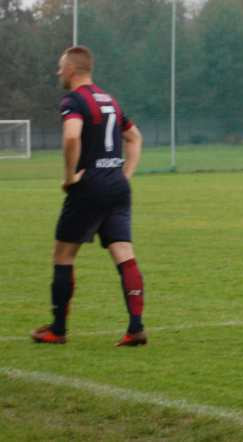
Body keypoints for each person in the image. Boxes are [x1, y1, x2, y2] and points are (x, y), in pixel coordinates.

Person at [31, 46, 146, 347]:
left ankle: (57, 329)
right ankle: (136, 328)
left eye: (60, 67)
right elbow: (134, 138)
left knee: (63, 256)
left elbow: (71, 136)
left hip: (90, 186)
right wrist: (126, 174)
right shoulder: (110, 100)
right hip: (117, 187)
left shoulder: (73, 100)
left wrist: (70, 177)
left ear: (71, 69)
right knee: (124, 254)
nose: (58, 73)